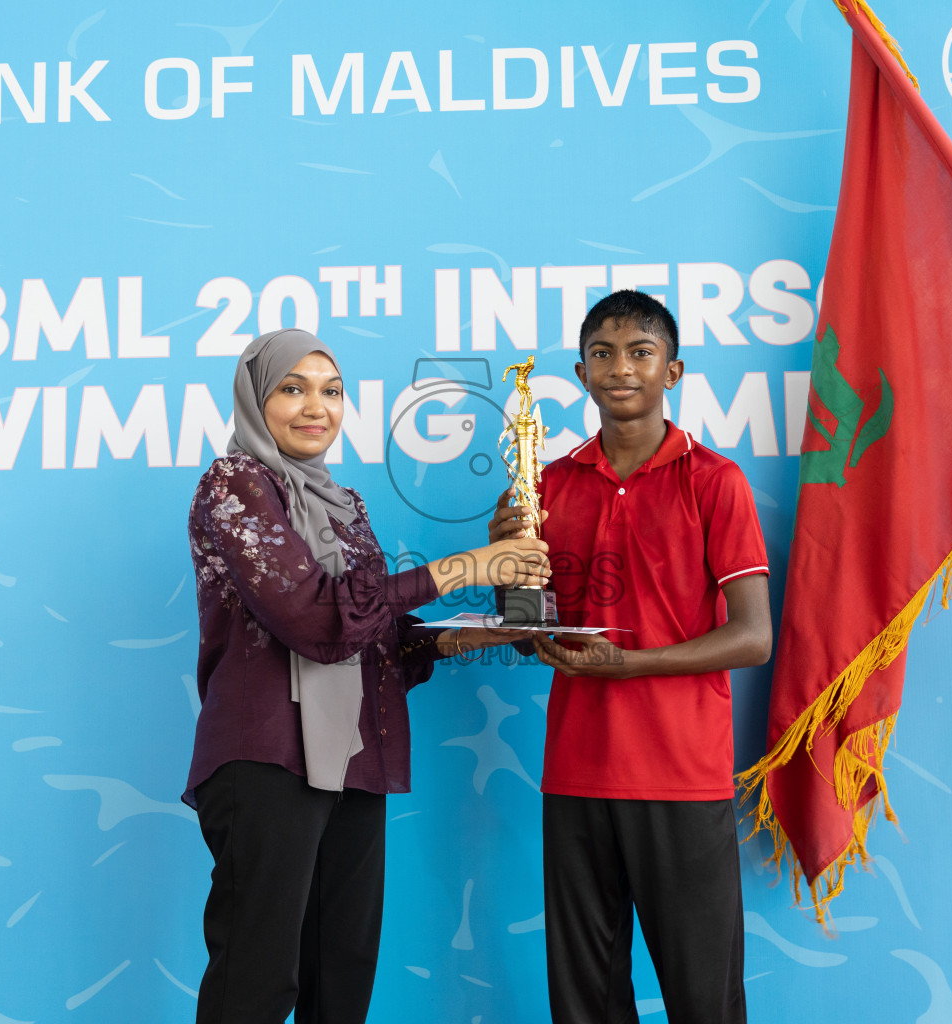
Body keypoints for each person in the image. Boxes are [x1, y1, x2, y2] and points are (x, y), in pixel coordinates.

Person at [185, 328, 549, 1024]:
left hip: (351, 762)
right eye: (291, 388)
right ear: (256, 399)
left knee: (341, 978)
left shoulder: (346, 508)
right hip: (268, 761)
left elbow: (372, 639)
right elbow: (317, 621)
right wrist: (462, 567)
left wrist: (476, 636)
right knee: (256, 983)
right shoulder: (234, 486)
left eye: (331, 391)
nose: (314, 406)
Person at [489, 290, 773, 1024]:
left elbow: (753, 637)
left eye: (640, 353)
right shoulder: (546, 485)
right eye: (604, 354)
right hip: (578, 774)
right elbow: (528, 632)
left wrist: (631, 665)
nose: (622, 368)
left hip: (682, 776)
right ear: (581, 373)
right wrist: (505, 567)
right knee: (585, 1003)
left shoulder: (714, 481)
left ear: (671, 372)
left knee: (703, 999)